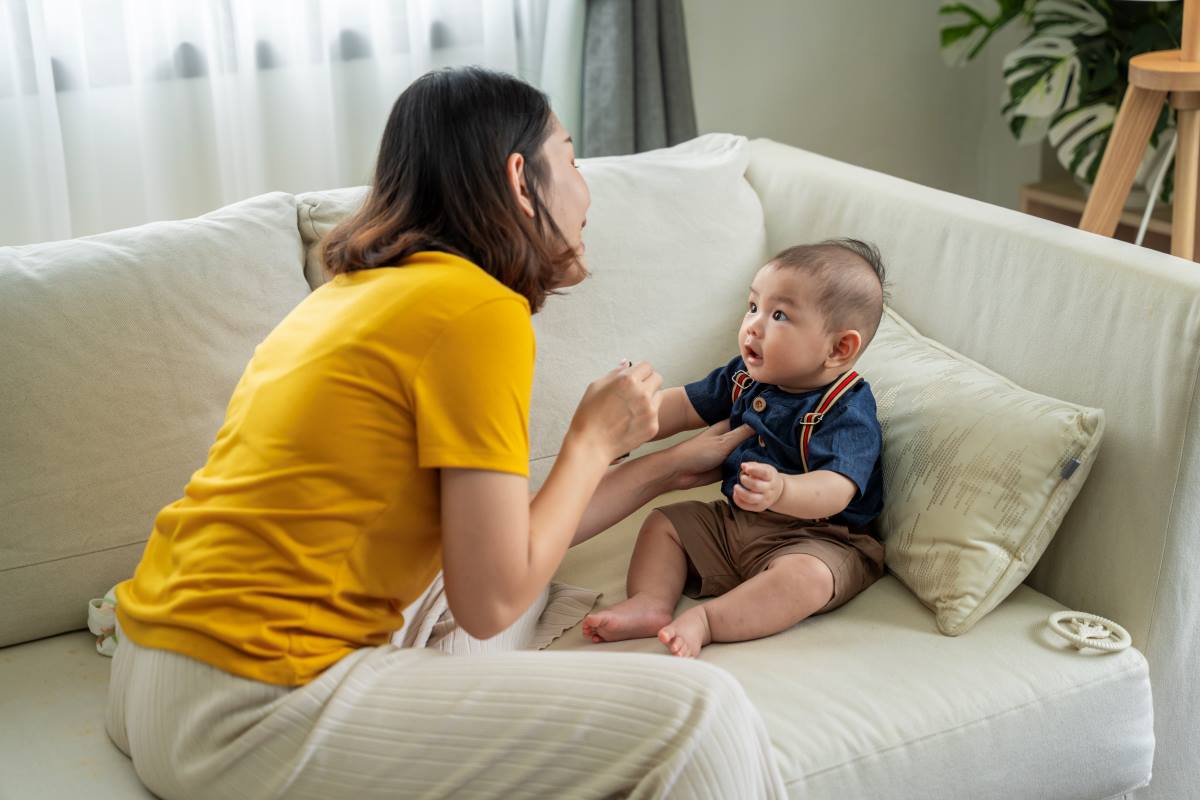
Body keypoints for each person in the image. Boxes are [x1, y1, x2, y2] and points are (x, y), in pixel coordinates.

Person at [104, 66, 785, 799]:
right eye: (573, 158)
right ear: (521, 179)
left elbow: (496, 557)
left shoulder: (355, 292)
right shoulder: (478, 312)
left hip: (151, 668)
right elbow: (488, 598)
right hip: (248, 707)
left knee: (510, 596)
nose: (587, 191)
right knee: (702, 716)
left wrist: (660, 467)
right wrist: (592, 439)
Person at [582, 241, 888, 658]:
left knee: (808, 579)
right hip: (737, 522)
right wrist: (627, 422)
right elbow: (685, 406)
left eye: (779, 315)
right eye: (753, 307)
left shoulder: (846, 406)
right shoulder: (744, 376)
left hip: (818, 537)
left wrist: (782, 491)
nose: (753, 326)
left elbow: (837, 487)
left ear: (838, 349)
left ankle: (708, 620)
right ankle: (650, 602)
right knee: (665, 525)